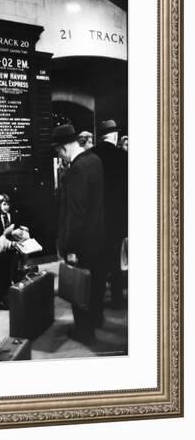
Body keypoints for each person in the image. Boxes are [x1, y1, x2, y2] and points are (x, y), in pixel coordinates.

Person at [52, 124, 105, 344]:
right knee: (93, 286)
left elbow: (76, 214)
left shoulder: (77, 169)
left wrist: (69, 247)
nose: (60, 158)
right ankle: (94, 320)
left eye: (58, 153)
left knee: (79, 288)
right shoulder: (95, 160)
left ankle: (84, 332)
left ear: (64, 148)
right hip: (97, 237)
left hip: (81, 242)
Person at [92, 119, 128, 308]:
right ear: (114, 136)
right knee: (115, 262)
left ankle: (96, 304)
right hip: (118, 219)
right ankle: (117, 299)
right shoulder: (123, 157)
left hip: (97, 219)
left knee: (97, 263)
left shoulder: (91, 156)